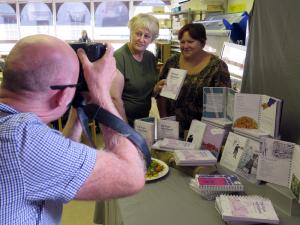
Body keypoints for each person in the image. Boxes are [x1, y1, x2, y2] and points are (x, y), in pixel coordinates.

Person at [0, 34, 145, 224]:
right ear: (61, 96)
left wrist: (78, 107)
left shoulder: (13, 126)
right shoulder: (22, 139)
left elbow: (56, 156)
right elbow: (131, 176)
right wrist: (100, 91)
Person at [157, 23, 231, 138]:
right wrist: (165, 121)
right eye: (182, 42)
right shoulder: (172, 62)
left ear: (202, 43)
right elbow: (160, 94)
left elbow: (221, 106)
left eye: (190, 42)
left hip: (202, 132)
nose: (185, 46)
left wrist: (212, 136)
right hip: (173, 129)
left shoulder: (217, 67)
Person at [111, 13, 166, 126]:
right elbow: (114, 98)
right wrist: (125, 127)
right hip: (122, 120)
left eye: (146, 36)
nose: (141, 39)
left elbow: (146, 93)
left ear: (152, 39)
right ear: (131, 33)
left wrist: (156, 89)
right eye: (138, 34)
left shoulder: (150, 57)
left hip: (143, 119)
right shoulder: (119, 57)